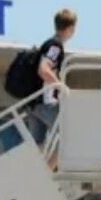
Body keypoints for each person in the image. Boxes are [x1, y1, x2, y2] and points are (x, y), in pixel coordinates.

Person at [27, 9, 78, 156]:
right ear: (70, 28)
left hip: (35, 104)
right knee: (71, 137)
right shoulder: (55, 46)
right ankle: (48, 170)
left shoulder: (48, 43)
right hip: (45, 103)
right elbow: (43, 69)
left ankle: (37, 176)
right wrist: (61, 87)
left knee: (37, 149)